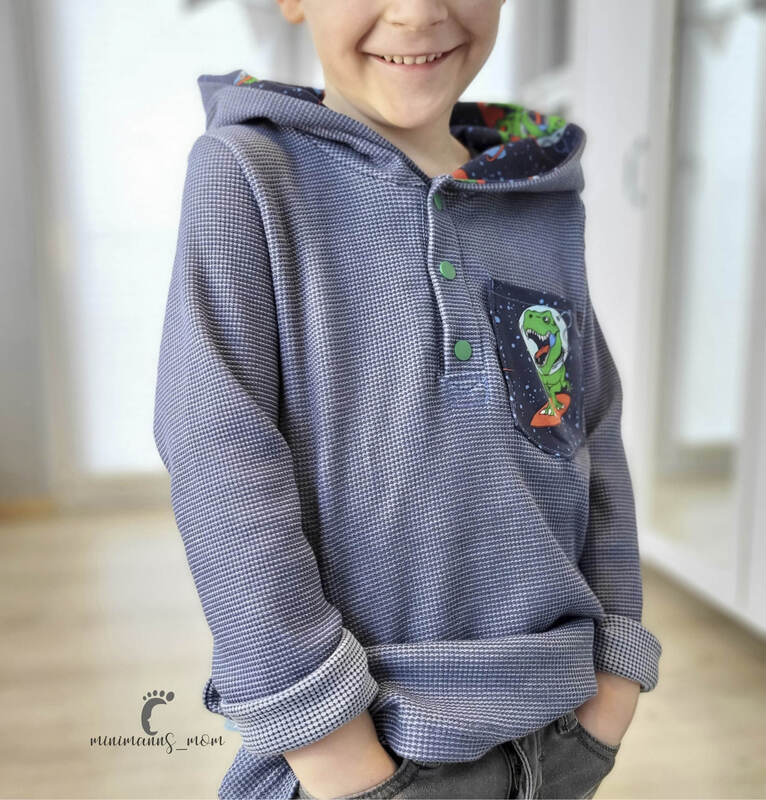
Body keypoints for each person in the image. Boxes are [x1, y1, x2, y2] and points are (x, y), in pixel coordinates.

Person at [152, 1, 663, 798]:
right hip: (366, 743)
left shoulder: (542, 195)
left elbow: (591, 430)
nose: (419, 12)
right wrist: (328, 741)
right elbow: (219, 460)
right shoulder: (246, 171)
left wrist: (616, 678)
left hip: (561, 730)